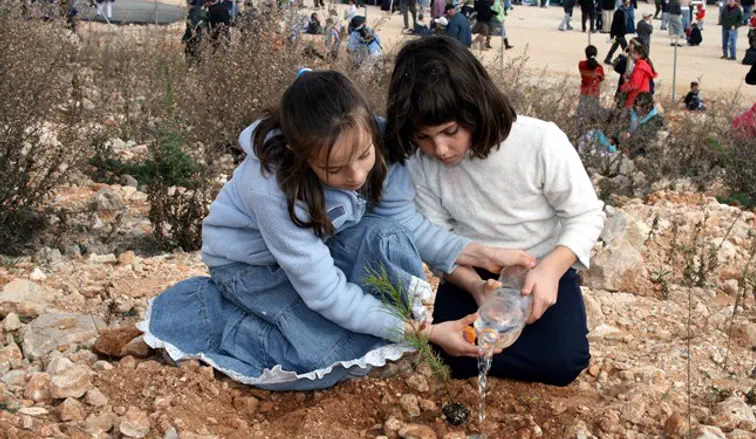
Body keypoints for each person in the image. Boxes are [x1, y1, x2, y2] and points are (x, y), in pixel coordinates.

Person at [143, 69, 537, 391]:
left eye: (365, 156)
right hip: (252, 267)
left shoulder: (377, 140)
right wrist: (428, 333)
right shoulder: (269, 188)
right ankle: (200, 311)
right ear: (301, 156)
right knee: (320, 355)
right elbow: (326, 293)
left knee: (387, 241)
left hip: (321, 246)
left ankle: (382, 330)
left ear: (369, 126)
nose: (356, 175)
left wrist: (483, 257)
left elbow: (401, 223)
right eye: (334, 170)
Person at [384, 36, 605, 385]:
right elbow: (437, 239)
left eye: (450, 131)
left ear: (475, 107)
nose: (439, 149)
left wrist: (551, 269)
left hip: (541, 271)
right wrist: (473, 286)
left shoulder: (539, 140)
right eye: (423, 138)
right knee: (452, 359)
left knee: (563, 364)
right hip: (469, 273)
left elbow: (586, 215)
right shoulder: (419, 161)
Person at [614, 92, 665, 157]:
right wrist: (623, 133)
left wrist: (630, 147)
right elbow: (621, 125)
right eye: (635, 107)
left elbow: (643, 136)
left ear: (647, 108)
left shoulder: (655, 120)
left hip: (642, 150)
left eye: (640, 109)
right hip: (627, 145)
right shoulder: (632, 112)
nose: (637, 111)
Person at [620, 42, 657, 108]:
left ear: (640, 55)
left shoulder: (640, 67)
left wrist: (623, 87)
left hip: (636, 97)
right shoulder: (643, 65)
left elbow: (635, 85)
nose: (631, 54)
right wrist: (631, 77)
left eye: (634, 52)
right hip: (640, 96)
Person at [577, 45, 607, 124]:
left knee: (582, 113)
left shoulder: (581, 64)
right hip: (595, 92)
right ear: (596, 54)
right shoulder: (599, 67)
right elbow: (602, 78)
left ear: (586, 54)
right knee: (593, 113)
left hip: (584, 91)